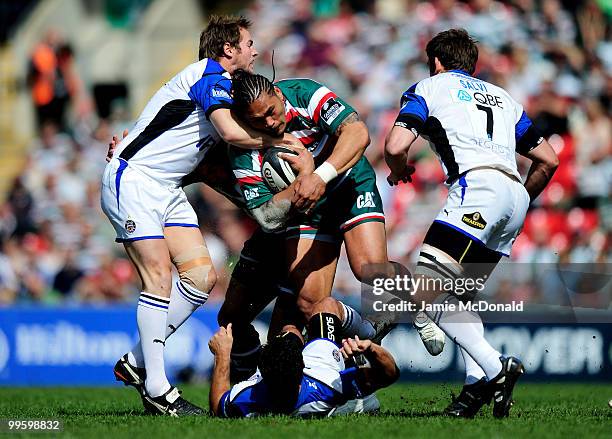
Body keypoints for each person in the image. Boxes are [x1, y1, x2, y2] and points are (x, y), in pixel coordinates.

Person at [104, 15, 299, 416]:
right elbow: (228, 134)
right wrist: (280, 139)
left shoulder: (222, 87)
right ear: (228, 50)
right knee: (158, 277)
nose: (255, 51)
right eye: (248, 44)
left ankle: (137, 362)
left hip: (166, 186)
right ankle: (158, 389)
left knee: (201, 277)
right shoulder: (210, 76)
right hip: (135, 180)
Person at [384, 29, 559, 418]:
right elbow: (548, 159)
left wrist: (398, 171)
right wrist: (520, 201)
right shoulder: (503, 97)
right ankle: (472, 393)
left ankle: (497, 368)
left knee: (425, 293)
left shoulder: (429, 87)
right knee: (460, 298)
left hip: (477, 187)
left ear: (436, 62)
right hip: (514, 195)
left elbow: (395, 146)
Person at [224, 70, 444, 352]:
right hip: (307, 209)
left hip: (349, 185)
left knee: (369, 269)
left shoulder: (304, 93)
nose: (269, 122)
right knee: (309, 303)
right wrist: (302, 184)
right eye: (258, 120)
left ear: (278, 94)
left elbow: (357, 132)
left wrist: (318, 177)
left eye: (271, 111)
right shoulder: (242, 145)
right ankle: (364, 334)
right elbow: (265, 216)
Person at [208, 296, 399, 417]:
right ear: (302, 365)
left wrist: (222, 354)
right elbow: (389, 374)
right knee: (326, 305)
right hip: (324, 360)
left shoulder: (248, 397)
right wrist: (370, 348)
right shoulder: (329, 386)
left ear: (262, 373)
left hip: (292, 379)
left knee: (288, 327)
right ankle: (370, 331)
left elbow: (218, 405)